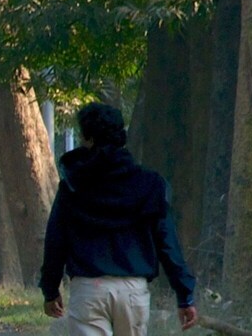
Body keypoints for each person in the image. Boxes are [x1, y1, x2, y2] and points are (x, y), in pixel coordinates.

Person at [40, 103, 198, 336]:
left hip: (88, 289)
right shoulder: (150, 185)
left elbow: (56, 241)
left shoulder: (73, 186)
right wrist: (185, 295)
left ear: (88, 138)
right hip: (133, 290)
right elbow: (167, 243)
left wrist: (50, 289)